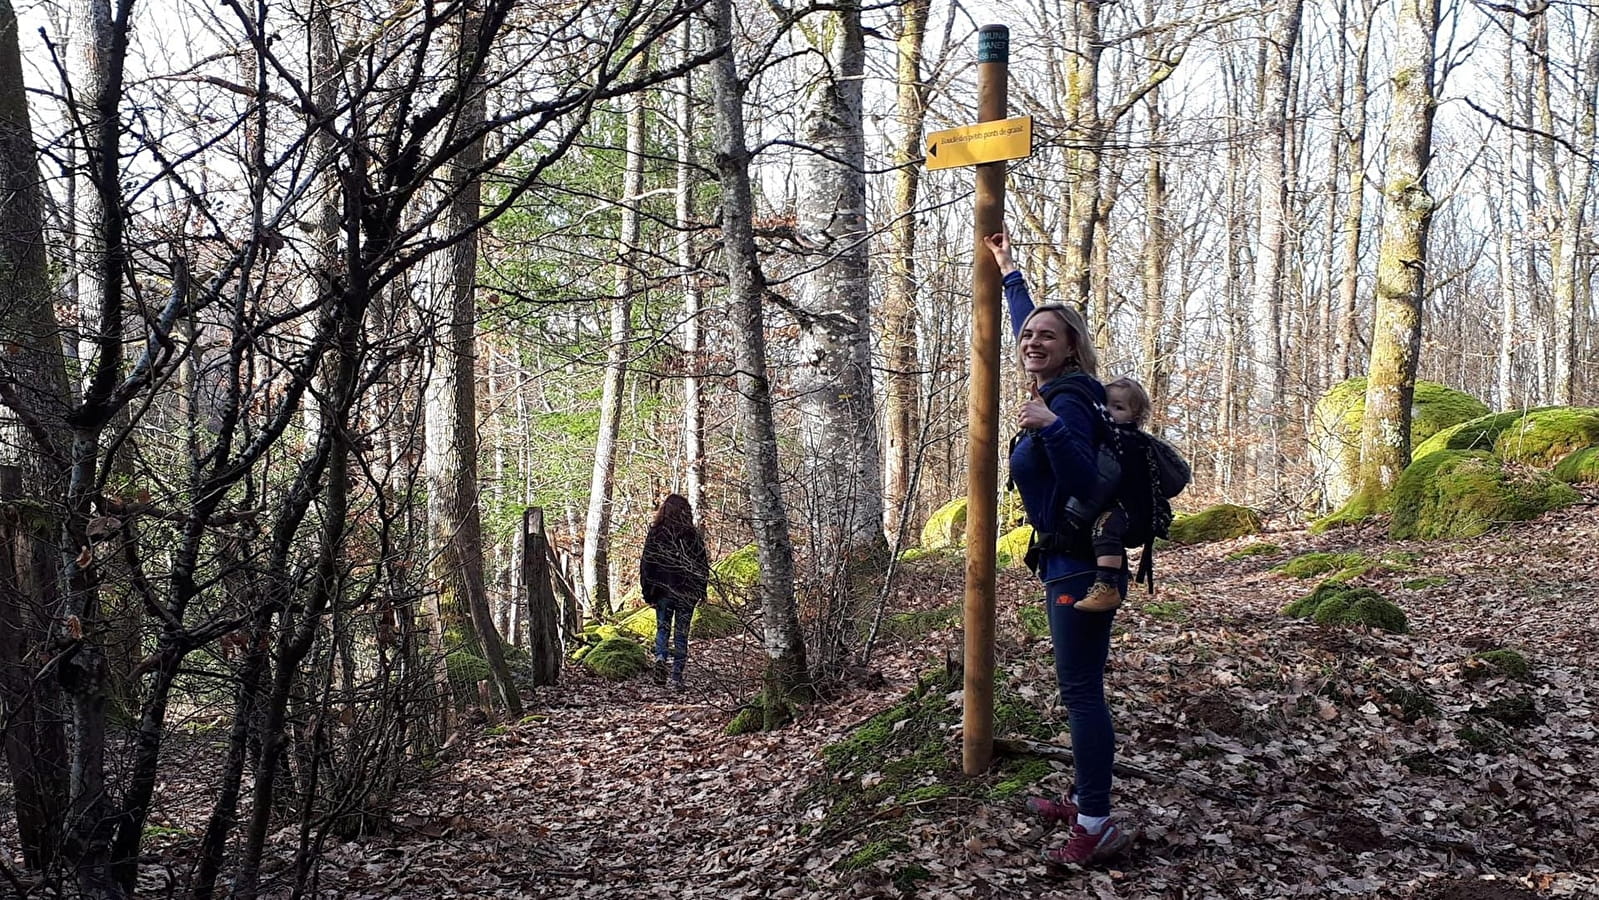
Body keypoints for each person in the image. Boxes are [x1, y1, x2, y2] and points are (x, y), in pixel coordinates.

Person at [983, 231, 1132, 866]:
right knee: (1079, 685)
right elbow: (1026, 328)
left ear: (1072, 345)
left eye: (1048, 334)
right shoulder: (1058, 388)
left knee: (1080, 690)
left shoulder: (1070, 400)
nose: (1032, 340)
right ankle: (1084, 796)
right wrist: (1010, 272)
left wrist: (1047, 430)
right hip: (1064, 559)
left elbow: (1082, 480)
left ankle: (1096, 820)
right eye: (1027, 335)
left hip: (1078, 561)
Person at [1076, 376, 1152, 614]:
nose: (1109, 412)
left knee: (1104, 527)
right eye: (1105, 405)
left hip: (1128, 507)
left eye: (1118, 407)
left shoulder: (1127, 439)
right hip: (1117, 503)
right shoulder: (1105, 435)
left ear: (1135, 417)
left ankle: (1107, 587)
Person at [639, 494, 708, 689]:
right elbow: (702, 565)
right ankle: (677, 676)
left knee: (662, 628)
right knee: (681, 633)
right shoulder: (692, 535)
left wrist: (648, 592)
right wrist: (701, 590)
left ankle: (660, 657)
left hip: (662, 592)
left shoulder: (656, 534)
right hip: (687, 592)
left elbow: (646, 564)